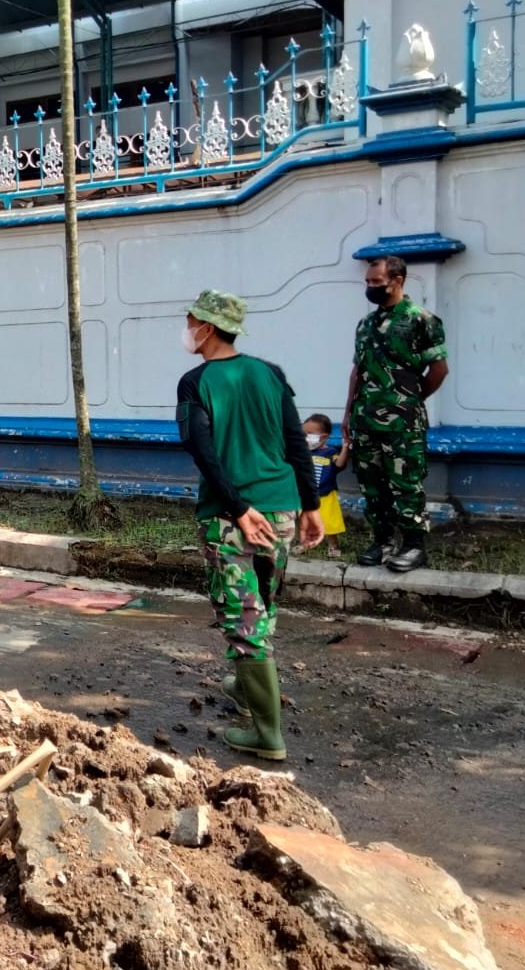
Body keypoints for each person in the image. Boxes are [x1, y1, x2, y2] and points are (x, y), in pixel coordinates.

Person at [176, 290, 322, 761]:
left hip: (231, 517)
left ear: (209, 328)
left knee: (243, 617)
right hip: (280, 509)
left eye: (192, 320)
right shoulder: (270, 374)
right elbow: (297, 443)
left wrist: (237, 507)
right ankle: (244, 687)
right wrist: (311, 505)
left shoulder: (195, 383)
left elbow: (203, 450)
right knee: (264, 603)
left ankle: (267, 734)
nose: (187, 328)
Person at [343, 256, 449, 573]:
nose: (371, 287)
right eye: (368, 282)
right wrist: (348, 412)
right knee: (372, 486)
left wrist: (410, 401)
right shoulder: (366, 325)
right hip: (365, 420)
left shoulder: (421, 320)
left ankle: (414, 546)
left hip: (403, 422)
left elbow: (439, 369)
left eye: (377, 282)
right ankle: (383, 541)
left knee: (406, 484)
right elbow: (357, 370)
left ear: (398, 279)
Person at [303, 412, 348, 559]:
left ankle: (333, 545)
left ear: (324, 436)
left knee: (329, 521)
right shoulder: (304, 452)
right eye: (304, 433)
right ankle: (306, 543)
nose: (306, 436)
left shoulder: (330, 452)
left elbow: (339, 464)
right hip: (307, 494)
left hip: (326, 494)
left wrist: (345, 447)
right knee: (306, 521)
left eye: (310, 433)